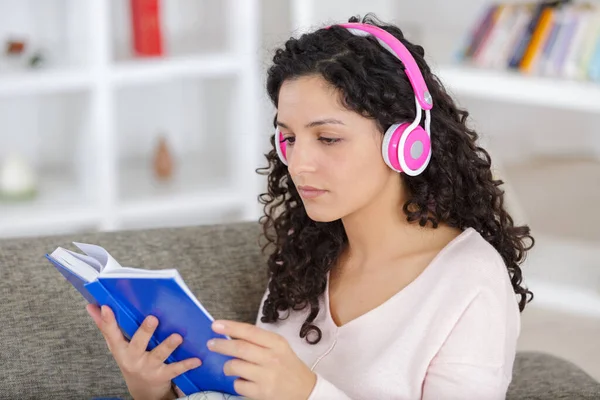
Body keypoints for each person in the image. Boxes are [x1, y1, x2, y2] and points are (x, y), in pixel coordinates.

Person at [86, 13, 534, 400]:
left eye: (328, 138)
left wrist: (306, 392)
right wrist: (153, 389)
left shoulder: (468, 282)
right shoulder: (309, 250)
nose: (299, 163)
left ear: (406, 144)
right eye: (290, 138)